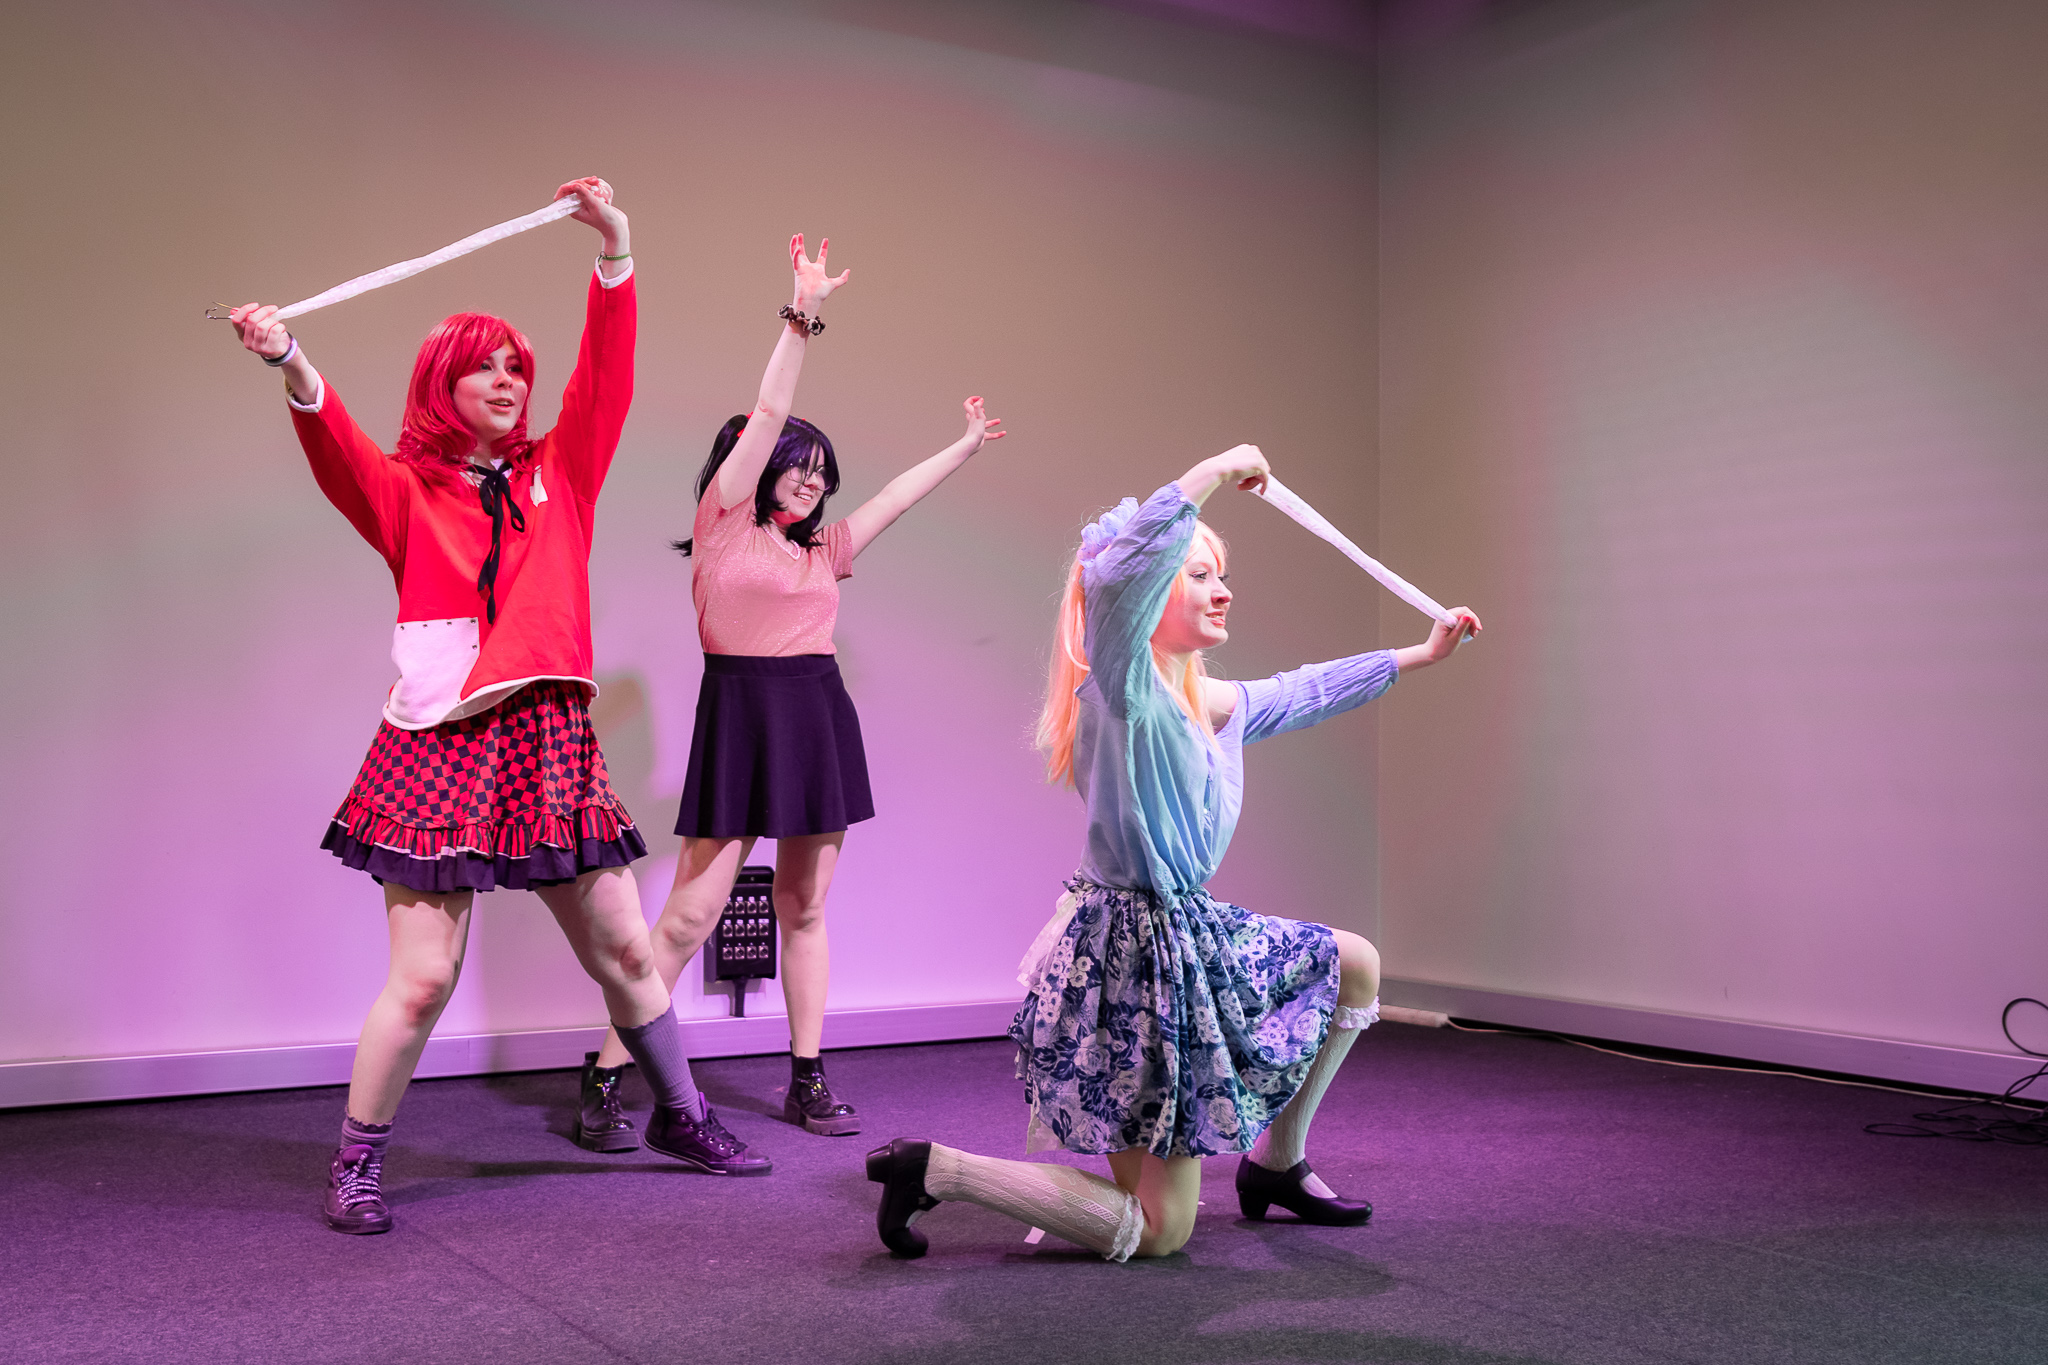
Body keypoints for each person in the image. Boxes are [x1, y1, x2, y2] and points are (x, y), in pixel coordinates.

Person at [226, 178, 769, 1238]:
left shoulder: (561, 472)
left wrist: (615, 250)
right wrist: (290, 358)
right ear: (443, 382)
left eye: (518, 366)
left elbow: (606, 376)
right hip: (439, 742)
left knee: (625, 952)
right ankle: (356, 1162)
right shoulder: (403, 491)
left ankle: (682, 1115)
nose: (510, 381)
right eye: (487, 366)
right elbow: (335, 442)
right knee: (424, 979)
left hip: (547, 739)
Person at [866, 444, 1481, 1260]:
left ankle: (1276, 1165)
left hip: (1189, 931)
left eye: (1221, 574)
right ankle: (936, 1169)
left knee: (1354, 963)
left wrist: (1419, 654)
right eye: (1197, 574)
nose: (1222, 589)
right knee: (1162, 1229)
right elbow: (1115, 578)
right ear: (1151, 592)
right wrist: (1213, 470)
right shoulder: (1123, 688)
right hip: (1131, 963)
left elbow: (1301, 690)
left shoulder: (1203, 698)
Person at [571, 234, 1004, 1148]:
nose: (810, 481)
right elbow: (769, 411)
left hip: (815, 716)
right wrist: (803, 314)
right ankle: (607, 1076)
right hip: (740, 716)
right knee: (687, 917)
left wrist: (963, 448)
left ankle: (808, 1076)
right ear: (757, 466)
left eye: (820, 474)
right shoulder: (724, 522)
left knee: (804, 907)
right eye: (796, 465)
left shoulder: (825, 550)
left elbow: (893, 499)